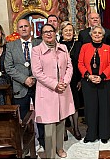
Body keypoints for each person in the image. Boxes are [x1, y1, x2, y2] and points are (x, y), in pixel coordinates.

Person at [31, 23, 75, 159]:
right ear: (42, 35)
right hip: (47, 91)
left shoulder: (63, 47)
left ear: (55, 33)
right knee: (49, 123)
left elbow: (69, 67)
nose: (49, 34)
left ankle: (60, 148)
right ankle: (50, 153)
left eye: (51, 31)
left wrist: (65, 82)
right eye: (45, 32)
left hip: (63, 90)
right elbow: (37, 72)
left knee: (61, 120)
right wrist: (55, 84)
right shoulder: (36, 50)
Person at [4, 19, 44, 150]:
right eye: (20, 27)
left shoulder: (39, 43)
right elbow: (9, 67)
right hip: (20, 87)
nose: (23, 29)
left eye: (26, 26)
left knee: (42, 114)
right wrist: (24, 79)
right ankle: (28, 144)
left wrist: (34, 78)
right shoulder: (11, 46)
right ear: (17, 29)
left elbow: (45, 64)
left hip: (39, 85)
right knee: (24, 117)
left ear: (31, 28)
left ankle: (44, 141)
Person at [78, 25, 110, 144]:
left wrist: (101, 76)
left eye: (100, 33)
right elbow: (80, 63)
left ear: (103, 36)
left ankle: (104, 134)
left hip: (104, 82)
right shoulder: (85, 47)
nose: (97, 35)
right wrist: (89, 76)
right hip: (88, 82)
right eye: (95, 33)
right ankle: (91, 134)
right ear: (91, 35)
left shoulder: (108, 48)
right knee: (90, 108)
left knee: (104, 108)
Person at [59, 21, 83, 141]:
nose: (68, 32)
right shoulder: (57, 45)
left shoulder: (79, 45)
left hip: (75, 79)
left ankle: (76, 128)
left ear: (74, 33)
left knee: (75, 105)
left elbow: (82, 62)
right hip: (61, 80)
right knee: (63, 105)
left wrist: (80, 80)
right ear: (61, 33)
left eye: (70, 30)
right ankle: (63, 131)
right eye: (66, 30)